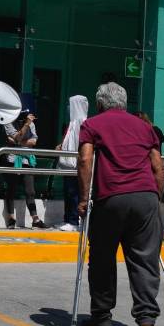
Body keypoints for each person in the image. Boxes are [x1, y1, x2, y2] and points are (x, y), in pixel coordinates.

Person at [77, 82, 164, 326]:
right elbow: (158, 165)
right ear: (124, 103)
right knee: (145, 259)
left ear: (100, 103)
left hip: (111, 197)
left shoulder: (92, 124)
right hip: (145, 197)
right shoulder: (145, 127)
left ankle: (102, 317)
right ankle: (146, 320)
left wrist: (83, 198)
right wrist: (156, 197)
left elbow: (85, 160)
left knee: (102, 257)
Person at [3, 110, 45, 228]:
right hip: (13, 159)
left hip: (27, 159)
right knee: (11, 189)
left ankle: (35, 219)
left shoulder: (31, 123)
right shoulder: (8, 122)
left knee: (30, 191)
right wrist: (26, 126)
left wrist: (18, 141)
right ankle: (11, 218)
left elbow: (34, 141)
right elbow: (16, 138)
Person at [55, 95, 90, 231]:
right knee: (68, 192)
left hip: (75, 164)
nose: (68, 108)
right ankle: (67, 219)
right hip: (68, 164)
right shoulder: (72, 123)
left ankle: (74, 221)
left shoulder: (82, 123)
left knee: (74, 192)